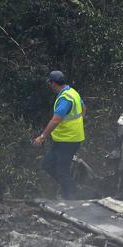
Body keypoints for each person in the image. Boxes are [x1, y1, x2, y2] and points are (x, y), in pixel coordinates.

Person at [33, 70, 84, 199]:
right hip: (64, 140)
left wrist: (42, 137)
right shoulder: (73, 93)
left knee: (62, 171)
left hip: (68, 141)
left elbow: (56, 119)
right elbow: (84, 109)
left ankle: (71, 198)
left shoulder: (65, 98)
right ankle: (70, 188)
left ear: (54, 83)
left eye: (50, 83)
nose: (50, 86)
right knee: (47, 164)